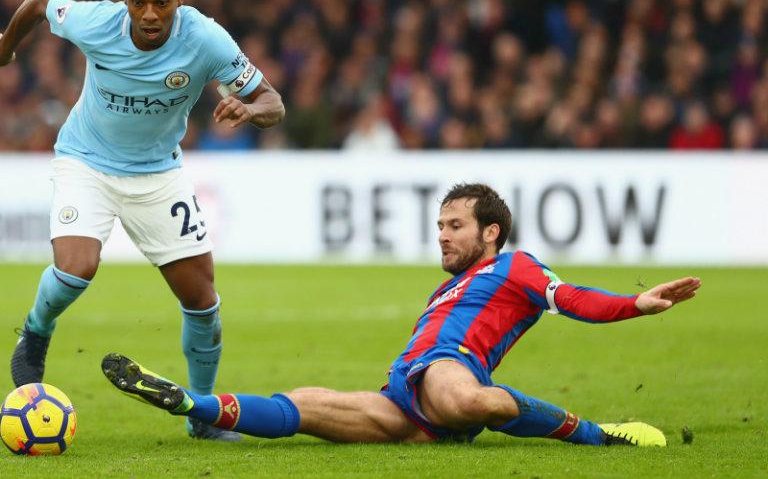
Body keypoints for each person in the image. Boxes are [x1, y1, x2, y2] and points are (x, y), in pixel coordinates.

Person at [102, 183, 701, 446]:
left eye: (455, 226)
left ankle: (596, 434)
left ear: (491, 232)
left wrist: (636, 304)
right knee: (305, 405)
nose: (441, 235)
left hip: (451, 371)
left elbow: (569, 298)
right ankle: (191, 405)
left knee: (470, 399)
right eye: (439, 225)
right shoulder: (449, 288)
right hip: (404, 397)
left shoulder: (515, 267)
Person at [0, 0, 284, 441]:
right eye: (140, 2)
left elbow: (273, 100)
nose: (150, 14)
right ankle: (37, 330)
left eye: (162, 3)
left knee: (203, 302)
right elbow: (40, 1)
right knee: (75, 270)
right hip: (86, 161)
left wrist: (250, 111)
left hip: (157, 175)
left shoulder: (206, 38)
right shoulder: (95, 22)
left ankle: (203, 416)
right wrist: (5, 49)